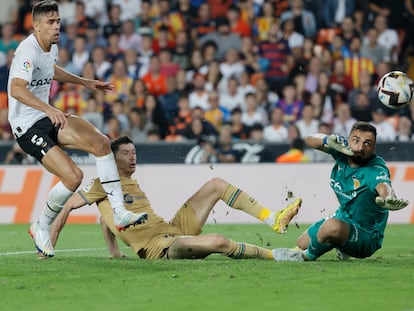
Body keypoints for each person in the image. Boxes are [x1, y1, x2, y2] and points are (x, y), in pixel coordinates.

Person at [7, 0, 147, 258]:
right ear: (36, 26)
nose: (57, 26)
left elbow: (51, 70)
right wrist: (49, 109)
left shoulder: (51, 47)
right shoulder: (27, 50)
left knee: (101, 142)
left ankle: (119, 211)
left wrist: (84, 82)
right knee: (73, 177)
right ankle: (42, 224)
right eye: (50, 22)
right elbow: (17, 88)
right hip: (27, 127)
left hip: (46, 116)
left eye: (58, 21)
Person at [50, 136, 303, 260]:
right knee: (218, 240)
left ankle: (272, 218)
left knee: (216, 184)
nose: (132, 157)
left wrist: (114, 252)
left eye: (134, 152)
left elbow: (106, 218)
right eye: (126, 153)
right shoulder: (103, 183)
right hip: (160, 248)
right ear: (113, 159)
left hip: (172, 229)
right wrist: (49, 244)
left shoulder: (128, 184)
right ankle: (276, 255)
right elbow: (69, 205)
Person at [272, 121, 409, 262]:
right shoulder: (341, 150)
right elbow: (309, 140)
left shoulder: (375, 169)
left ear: (374, 148)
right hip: (343, 217)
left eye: (367, 143)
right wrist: (327, 140)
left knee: (331, 226)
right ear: (349, 140)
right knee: (302, 241)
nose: (361, 147)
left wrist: (388, 198)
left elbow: (384, 186)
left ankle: (305, 257)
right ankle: (342, 245)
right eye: (356, 140)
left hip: (366, 236)